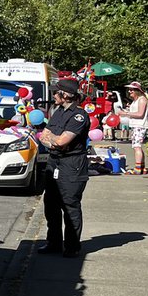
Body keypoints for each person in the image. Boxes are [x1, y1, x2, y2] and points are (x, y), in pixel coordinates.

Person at [37, 78, 91, 258]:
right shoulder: (58, 111)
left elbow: (61, 141)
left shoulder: (79, 115)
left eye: (56, 92)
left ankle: (72, 246)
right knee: (50, 204)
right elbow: (44, 136)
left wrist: (54, 141)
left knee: (70, 206)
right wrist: (53, 141)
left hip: (71, 165)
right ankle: (53, 242)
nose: (53, 95)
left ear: (66, 95)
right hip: (55, 162)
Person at [121, 80, 148, 174]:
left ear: (138, 91)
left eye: (132, 90)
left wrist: (126, 113)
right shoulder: (136, 100)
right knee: (137, 146)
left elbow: (140, 114)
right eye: (129, 90)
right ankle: (141, 167)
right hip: (136, 125)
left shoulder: (142, 99)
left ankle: (138, 169)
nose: (130, 91)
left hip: (140, 125)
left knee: (136, 146)